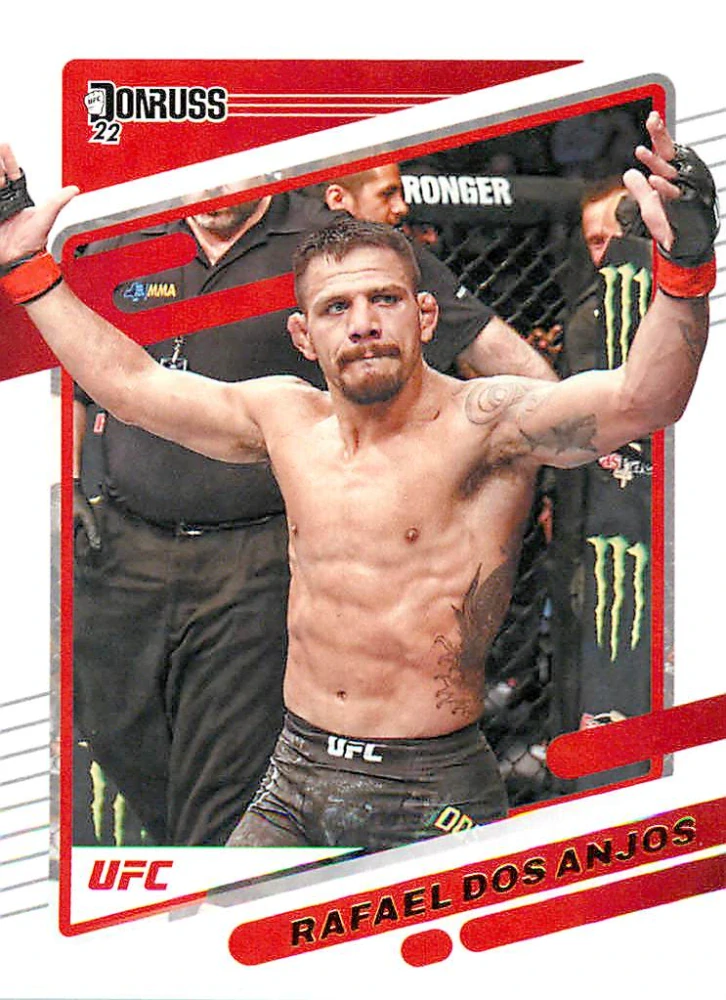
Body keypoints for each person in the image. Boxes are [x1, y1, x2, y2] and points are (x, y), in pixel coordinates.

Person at [0, 111, 715, 851]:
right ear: (304, 335)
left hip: (432, 783)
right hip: (296, 773)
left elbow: (644, 399)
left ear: (426, 315)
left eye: (385, 300)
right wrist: (26, 267)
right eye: (337, 308)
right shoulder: (287, 419)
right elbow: (131, 384)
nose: (364, 323)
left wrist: (687, 267)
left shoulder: (488, 423)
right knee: (223, 916)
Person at [70, 163, 555, 848]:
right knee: (113, 740)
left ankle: (231, 890)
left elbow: (499, 356)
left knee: (225, 786)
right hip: (128, 544)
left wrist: (526, 448)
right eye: (196, 168)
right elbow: (104, 377)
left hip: (258, 555)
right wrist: (69, 480)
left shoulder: (337, 250)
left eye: (227, 165)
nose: (213, 186)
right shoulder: (127, 239)